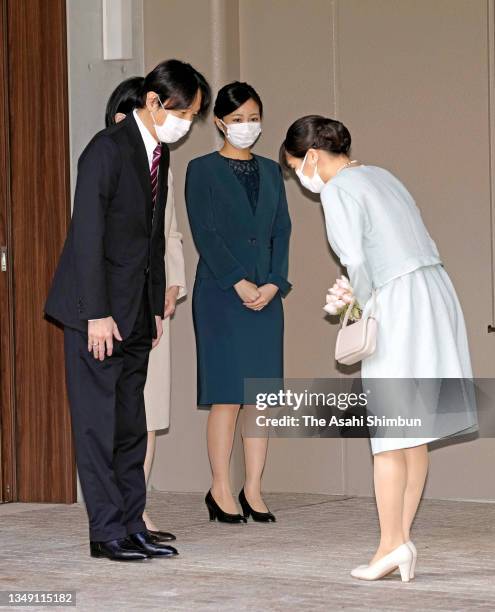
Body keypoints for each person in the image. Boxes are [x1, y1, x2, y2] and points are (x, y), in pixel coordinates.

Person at [280, 115, 476, 581]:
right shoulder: (382, 176)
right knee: (413, 428)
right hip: (433, 292)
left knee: (389, 430)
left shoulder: (338, 189)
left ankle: (391, 545)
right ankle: (400, 540)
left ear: (311, 156)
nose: (300, 180)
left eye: (294, 169)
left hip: (400, 301)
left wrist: (357, 302)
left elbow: (355, 258)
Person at [45, 59, 210, 561]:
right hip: (97, 312)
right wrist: (96, 313)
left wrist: (157, 304)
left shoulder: (157, 153)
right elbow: (88, 236)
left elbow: (154, 239)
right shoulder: (107, 150)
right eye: (186, 113)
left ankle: (132, 520)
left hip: (137, 310)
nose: (187, 125)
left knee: (129, 423)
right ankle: (105, 531)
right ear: (155, 102)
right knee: (97, 424)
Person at [185, 82, 291, 523]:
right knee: (227, 396)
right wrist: (238, 282)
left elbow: (281, 231)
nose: (247, 127)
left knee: (261, 397)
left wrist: (274, 283)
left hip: (266, 297)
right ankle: (221, 487)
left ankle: (254, 488)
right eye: (239, 119)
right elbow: (204, 233)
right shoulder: (201, 169)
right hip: (221, 296)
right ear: (220, 122)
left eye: (254, 119)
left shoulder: (270, 171)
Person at [104, 77, 188, 542]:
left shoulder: (164, 163)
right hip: (114, 303)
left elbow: (169, 230)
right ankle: (115, 510)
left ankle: (140, 506)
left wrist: (172, 285)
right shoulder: (106, 158)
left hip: (154, 300)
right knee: (117, 410)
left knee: (150, 411)